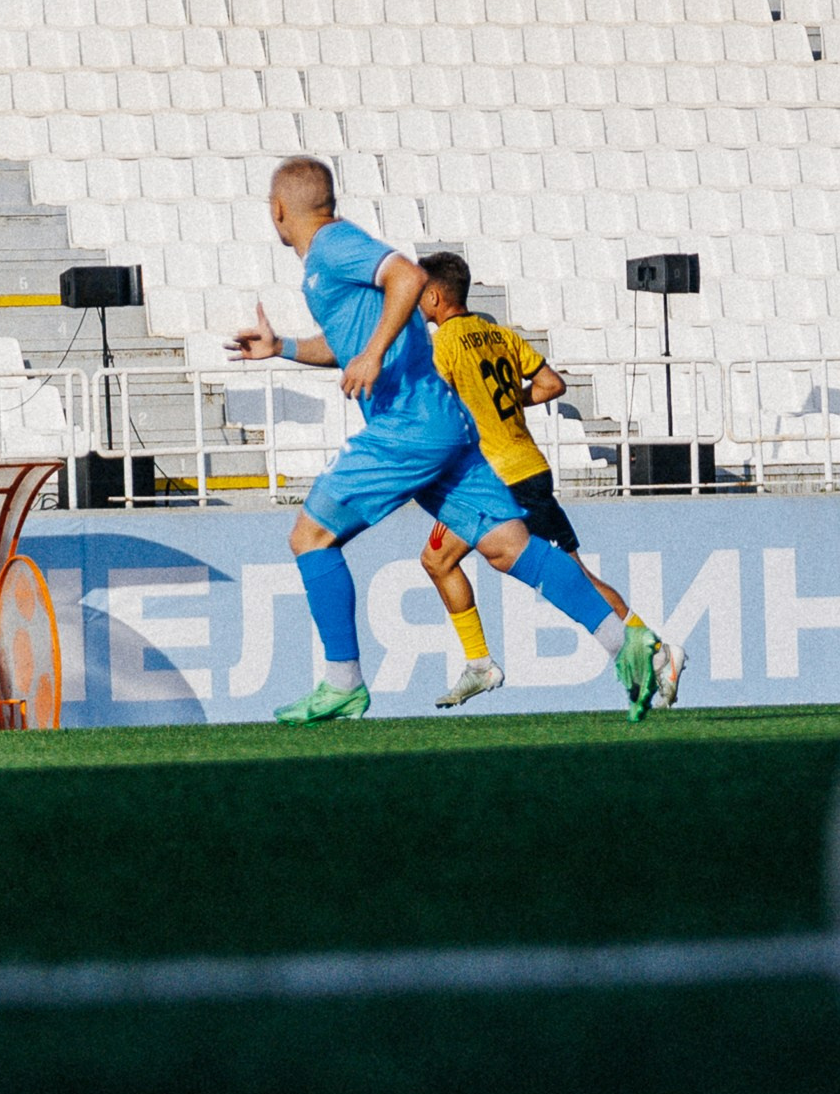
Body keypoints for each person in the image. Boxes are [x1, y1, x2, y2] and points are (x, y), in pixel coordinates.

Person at [226, 157, 665, 726]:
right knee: (511, 548)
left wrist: (375, 354)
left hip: (407, 429)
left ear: (278, 209)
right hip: (447, 426)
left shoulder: (332, 245)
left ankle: (343, 682)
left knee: (310, 537)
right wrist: (282, 346)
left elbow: (408, 276)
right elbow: (347, 343)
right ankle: (627, 641)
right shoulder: (328, 265)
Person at [412, 250, 682, 713]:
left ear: (435, 296)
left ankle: (656, 655)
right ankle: (480, 664)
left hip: (501, 477)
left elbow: (436, 413)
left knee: (573, 578)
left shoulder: (445, 346)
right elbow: (552, 384)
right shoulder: (500, 335)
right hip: (516, 467)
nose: (416, 304)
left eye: (419, 295)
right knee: (437, 560)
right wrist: (506, 405)